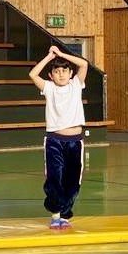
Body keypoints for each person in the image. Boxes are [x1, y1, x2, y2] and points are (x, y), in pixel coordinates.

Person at [29, 45, 89, 228]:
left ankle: (64, 213)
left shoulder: (76, 85)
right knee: (55, 177)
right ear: (51, 75)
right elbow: (33, 74)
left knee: (72, 179)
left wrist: (62, 54)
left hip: (75, 141)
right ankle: (55, 214)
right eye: (57, 71)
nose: (61, 74)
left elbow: (84, 64)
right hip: (55, 140)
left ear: (71, 73)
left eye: (65, 70)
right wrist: (49, 57)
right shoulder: (49, 88)